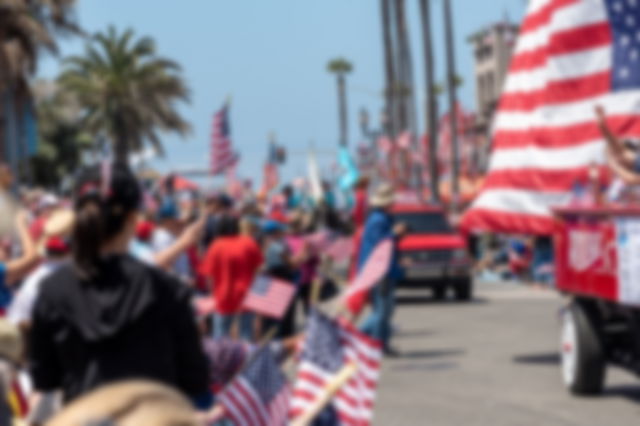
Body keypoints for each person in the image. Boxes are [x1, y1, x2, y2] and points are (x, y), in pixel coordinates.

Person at [28, 163, 211, 407]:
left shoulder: (52, 291)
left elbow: (44, 378)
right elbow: (195, 379)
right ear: (134, 219)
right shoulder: (167, 290)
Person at [358, 183, 405, 356]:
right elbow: (381, 243)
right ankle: (370, 341)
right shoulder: (378, 220)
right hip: (378, 270)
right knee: (382, 310)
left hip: (383, 268)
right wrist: (395, 234)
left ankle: (380, 343)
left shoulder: (383, 218)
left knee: (386, 309)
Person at [199, 215, 263, 340]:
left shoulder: (215, 246)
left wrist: (212, 294)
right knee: (246, 335)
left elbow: (209, 277)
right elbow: (259, 270)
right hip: (246, 295)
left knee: (221, 337)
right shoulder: (249, 242)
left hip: (222, 297)